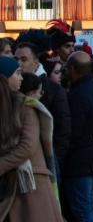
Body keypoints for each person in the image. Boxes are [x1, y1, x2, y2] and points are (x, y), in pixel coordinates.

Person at [0, 56, 63, 221]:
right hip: (11, 185)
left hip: (31, 184)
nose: (21, 78)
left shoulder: (26, 106)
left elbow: (27, 146)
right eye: (17, 73)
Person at [63, 51, 93, 222]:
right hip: (92, 156)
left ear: (72, 69)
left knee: (83, 208)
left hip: (81, 159)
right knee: (86, 205)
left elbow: (75, 129)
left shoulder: (79, 93)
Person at [14, 42, 70, 168]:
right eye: (16, 59)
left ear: (35, 63)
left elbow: (62, 129)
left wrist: (53, 160)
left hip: (44, 162)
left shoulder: (53, 90)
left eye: (24, 59)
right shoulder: (12, 86)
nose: (19, 63)